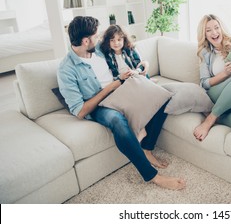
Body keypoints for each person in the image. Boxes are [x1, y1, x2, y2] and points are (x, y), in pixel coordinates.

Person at [57, 16, 186, 190]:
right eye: (95, 36)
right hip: (101, 105)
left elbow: (127, 51)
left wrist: (141, 67)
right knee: (117, 120)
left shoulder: (100, 50)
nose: (99, 38)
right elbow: (80, 111)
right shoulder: (66, 69)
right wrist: (112, 86)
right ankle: (153, 176)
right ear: (85, 40)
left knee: (161, 95)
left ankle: (147, 148)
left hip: (122, 90)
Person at [99, 24, 149, 141]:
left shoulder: (130, 50)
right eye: (112, 40)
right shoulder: (107, 56)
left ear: (124, 39)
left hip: (135, 78)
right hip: (122, 83)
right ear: (107, 42)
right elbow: (111, 75)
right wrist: (120, 77)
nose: (116, 43)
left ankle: (141, 129)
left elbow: (141, 65)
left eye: (119, 39)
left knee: (138, 95)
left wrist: (135, 71)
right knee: (128, 102)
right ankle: (141, 129)